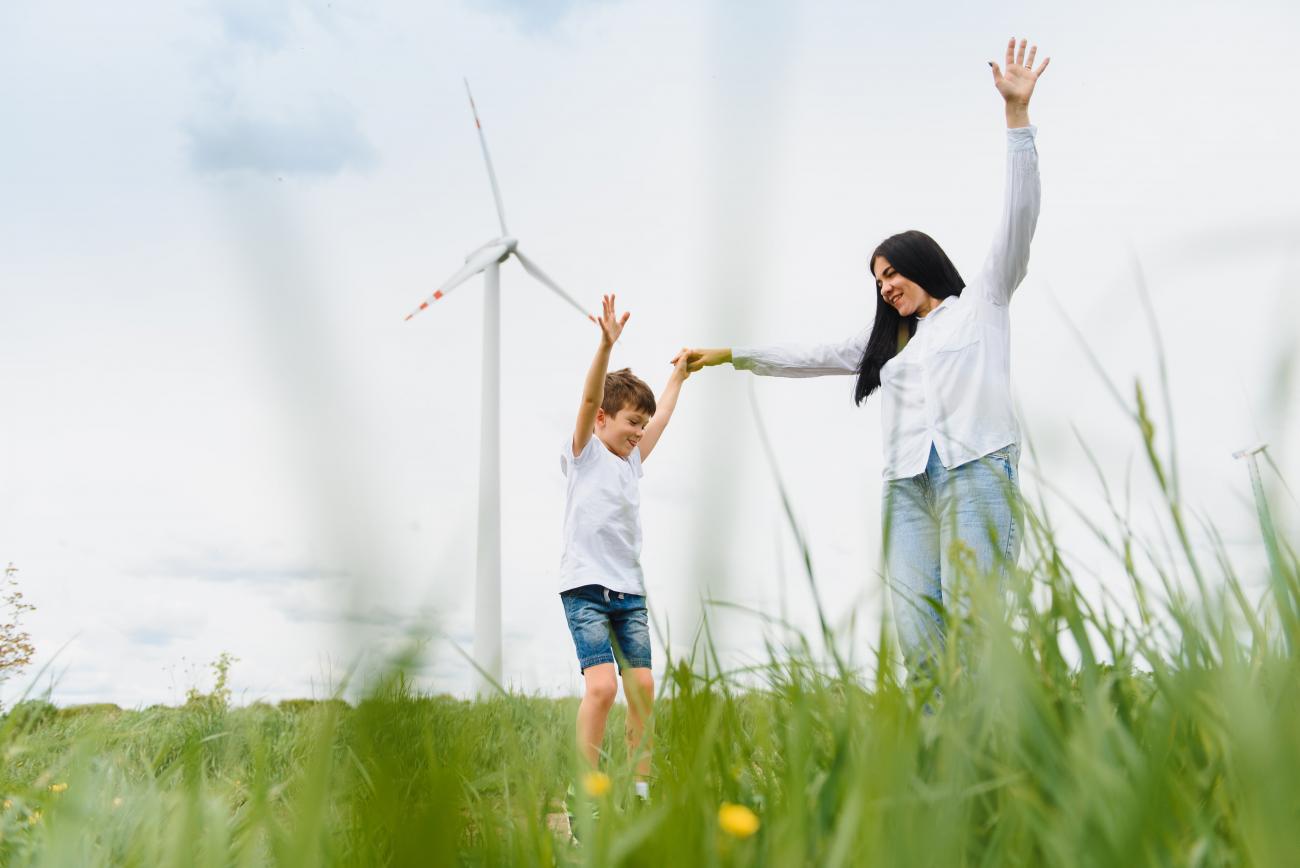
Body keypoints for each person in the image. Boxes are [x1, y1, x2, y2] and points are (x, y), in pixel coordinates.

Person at [675, 38, 1050, 675]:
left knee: (976, 617)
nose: (885, 286)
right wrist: (731, 355)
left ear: (921, 264)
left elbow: (1018, 217)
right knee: (914, 622)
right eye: (877, 280)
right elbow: (809, 353)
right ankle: (936, 753)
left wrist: (1017, 120)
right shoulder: (890, 345)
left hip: (977, 470)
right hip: (907, 487)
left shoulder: (983, 300)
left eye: (891, 273)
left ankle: (996, 748)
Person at [560, 293, 690, 802]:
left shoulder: (631, 463)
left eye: (641, 424)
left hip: (629, 594)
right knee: (601, 689)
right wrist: (605, 347)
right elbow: (590, 398)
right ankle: (584, 792)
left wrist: (678, 375)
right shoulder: (584, 454)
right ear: (602, 422)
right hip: (587, 588)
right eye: (630, 422)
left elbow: (661, 421)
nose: (638, 432)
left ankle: (639, 790)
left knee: (643, 690)